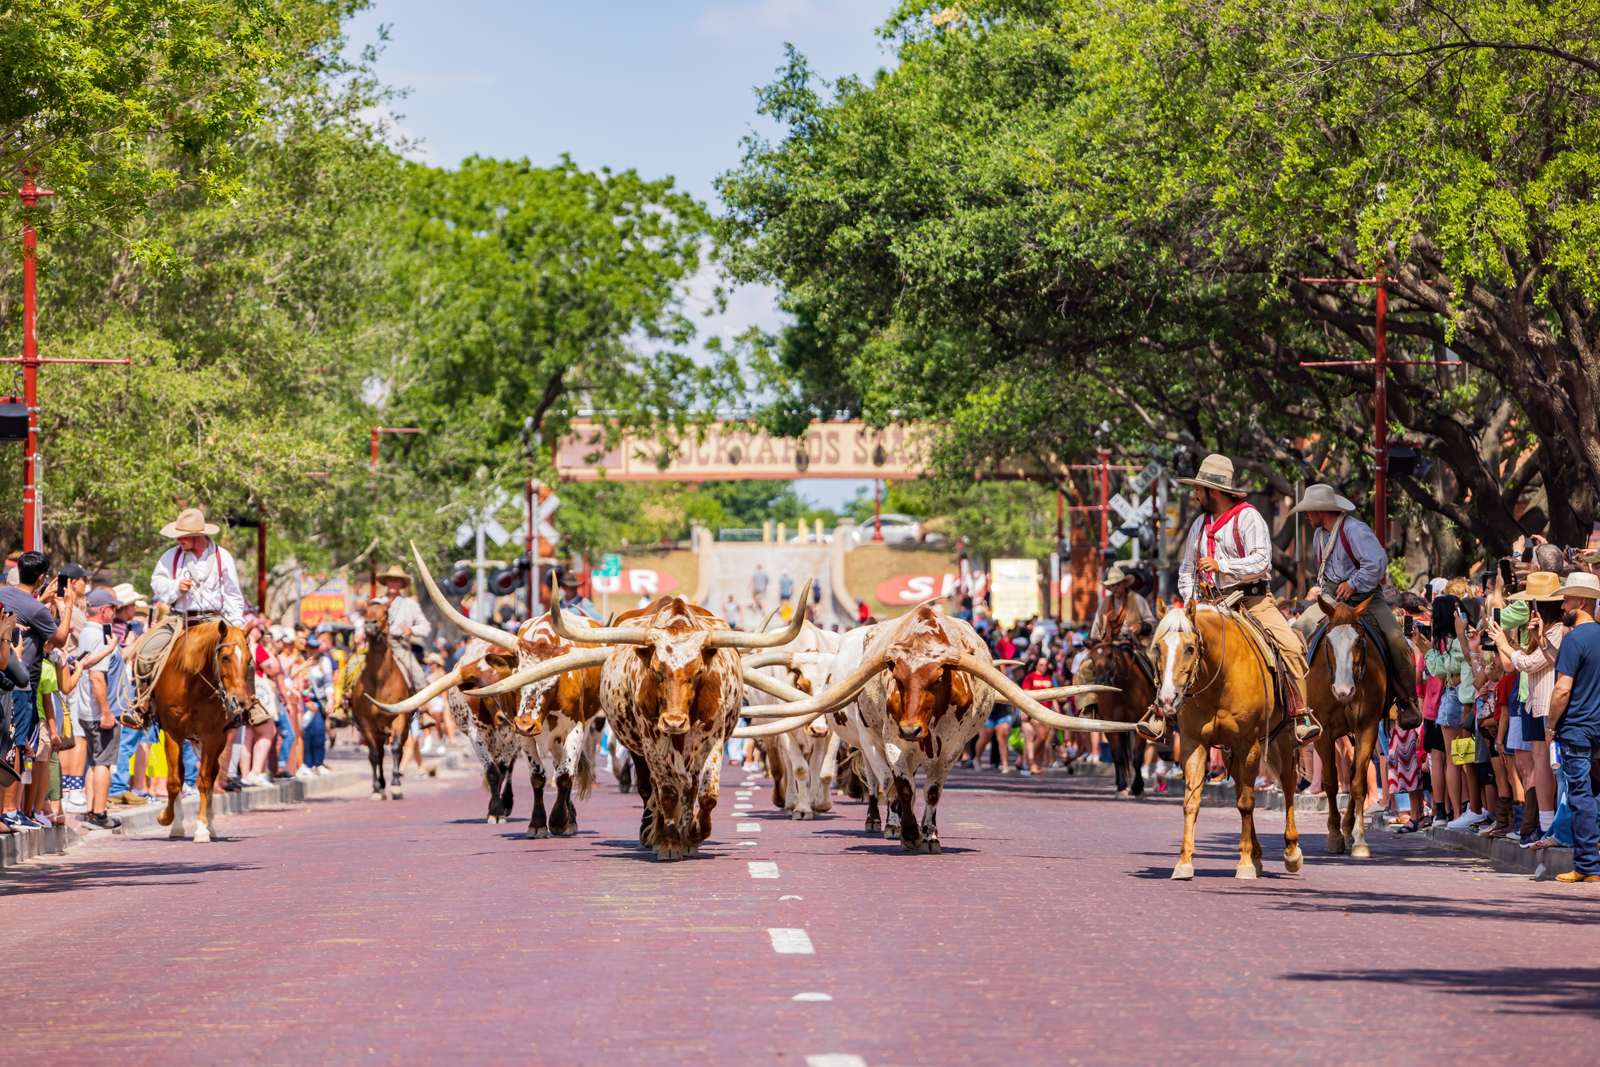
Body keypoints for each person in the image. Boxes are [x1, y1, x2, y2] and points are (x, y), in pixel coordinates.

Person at [1144, 453, 1314, 743]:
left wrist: (1223, 566)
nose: (1195, 494)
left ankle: (1301, 713)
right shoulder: (1198, 525)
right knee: (1169, 643)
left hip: (1253, 601)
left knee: (1290, 646)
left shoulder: (1249, 518)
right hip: (1208, 605)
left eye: (1199, 489)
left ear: (1214, 491)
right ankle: (1159, 710)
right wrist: (1189, 599)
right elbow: (1186, 570)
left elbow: (1262, 562)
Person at [1289, 483, 1421, 723]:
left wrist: (1353, 583)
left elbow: (1377, 562)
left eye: (1309, 510)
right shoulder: (1320, 534)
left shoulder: (1354, 530)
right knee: (1296, 633)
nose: (1306, 515)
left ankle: (1407, 702)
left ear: (1322, 510)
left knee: (1396, 641)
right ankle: (1294, 702)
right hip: (1332, 598)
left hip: (1366, 599)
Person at [127, 507, 249, 728]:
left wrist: (237, 626)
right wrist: (176, 588)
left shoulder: (223, 558)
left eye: (183, 536)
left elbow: (232, 594)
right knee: (146, 652)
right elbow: (158, 585)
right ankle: (142, 705)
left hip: (216, 622)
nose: (179, 540)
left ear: (198, 535)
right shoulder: (171, 556)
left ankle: (247, 706)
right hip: (179, 620)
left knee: (242, 656)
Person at [0, 551, 78, 831]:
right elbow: (58, 639)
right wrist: (68, 606)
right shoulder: (37, 611)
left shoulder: (6, 595)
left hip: (4, 679)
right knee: (18, 746)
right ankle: (9, 811)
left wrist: (41, 601)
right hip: (23, 685)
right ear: (43, 577)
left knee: (7, 744)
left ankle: (11, 810)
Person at [1546, 570, 1600, 883]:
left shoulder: (1574, 640)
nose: (1563, 605)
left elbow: (1562, 689)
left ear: (1580, 600)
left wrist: (1551, 725)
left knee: (1580, 795)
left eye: (1566, 599)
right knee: (1593, 793)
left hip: (1577, 727)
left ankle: (1587, 866)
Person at [72, 589, 126, 829]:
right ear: (104, 611)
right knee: (103, 762)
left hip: (86, 708)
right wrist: (106, 712)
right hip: (99, 710)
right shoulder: (99, 637)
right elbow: (97, 677)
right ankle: (100, 812)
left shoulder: (86, 632)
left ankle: (93, 810)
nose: (115, 613)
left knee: (95, 762)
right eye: (113, 608)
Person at [371, 564, 431, 691]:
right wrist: (360, 632)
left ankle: (424, 708)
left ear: (401, 583)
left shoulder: (410, 604)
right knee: (353, 666)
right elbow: (364, 621)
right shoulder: (376, 602)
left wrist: (412, 630)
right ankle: (345, 701)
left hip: (399, 645)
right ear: (386, 582)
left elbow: (426, 627)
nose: (393, 583)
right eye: (390, 579)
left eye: (397, 580)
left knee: (419, 676)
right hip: (376, 645)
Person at [1089, 564, 1155, 644]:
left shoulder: (1137, 599)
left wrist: (1140, 627)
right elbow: (1095, 630)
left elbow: (1152, 623)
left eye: (1118, 584)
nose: (1115, 588)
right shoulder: (1104, 603)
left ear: (1124, 584)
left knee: (1152, 655)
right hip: (1109, 645)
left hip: (1134, 644)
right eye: (1112, 585)